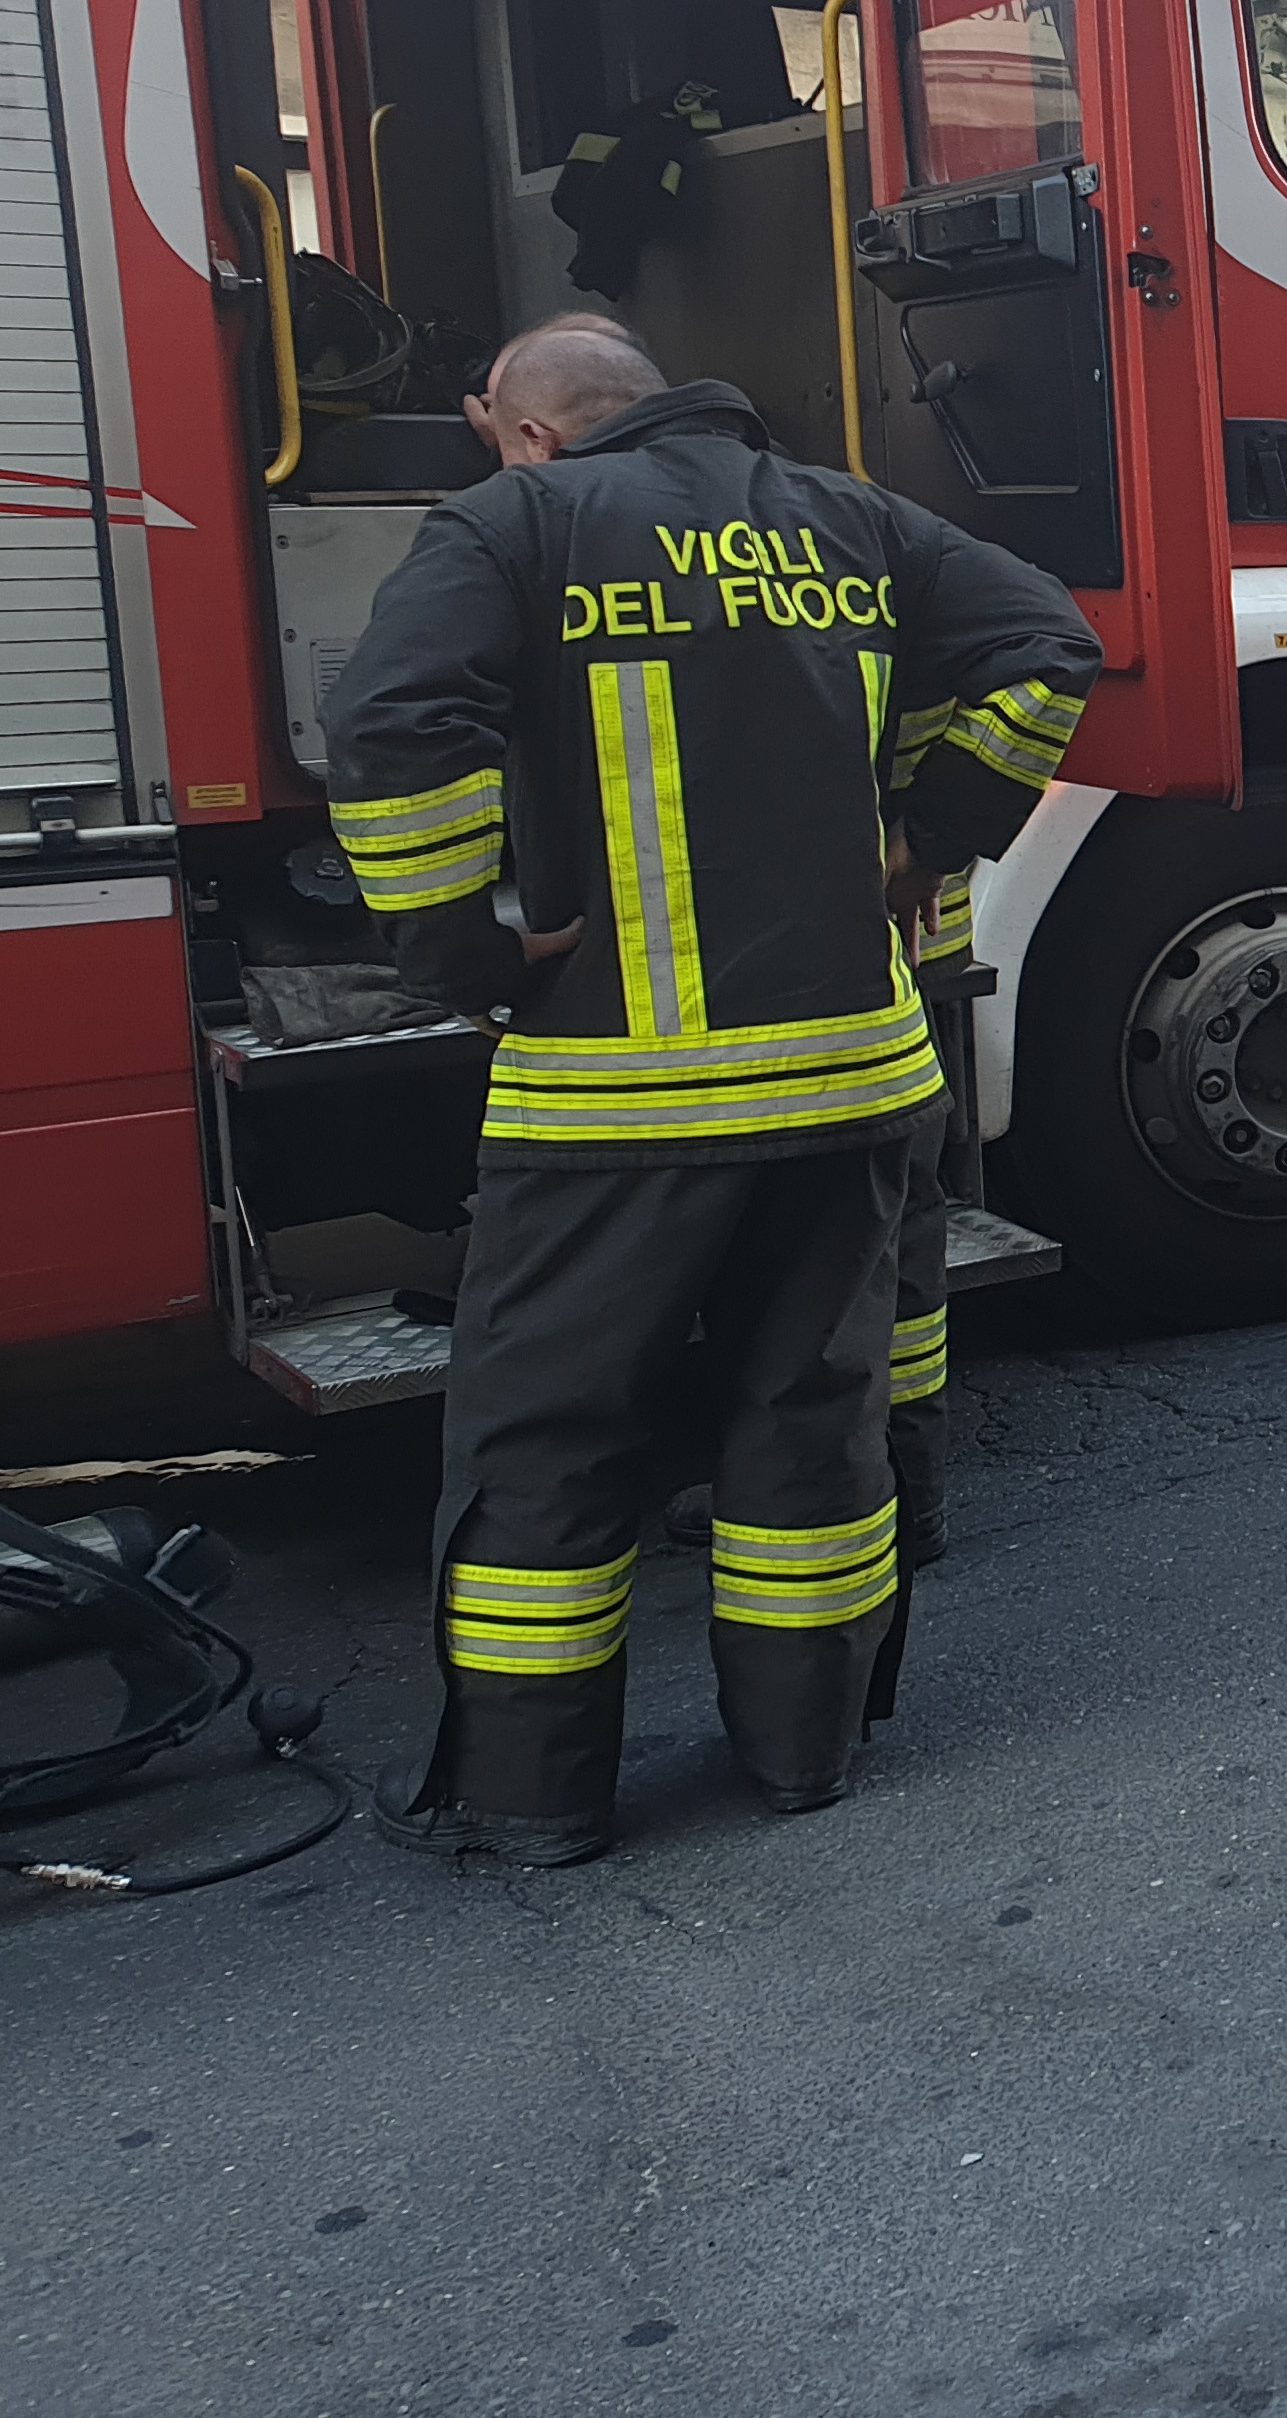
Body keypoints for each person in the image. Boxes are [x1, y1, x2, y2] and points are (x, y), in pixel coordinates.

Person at [329, 315, 1096, 1865]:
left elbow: (387, 723)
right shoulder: (847, 517)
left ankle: (531, 1802)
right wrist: (927, 838)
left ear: (530, 432)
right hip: (851, 1082)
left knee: (546, 1450)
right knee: (809, 1423)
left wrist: (463, 952)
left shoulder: (515, 523)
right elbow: (1047, 646)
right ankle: (802, 1756)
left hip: (617, 1105)